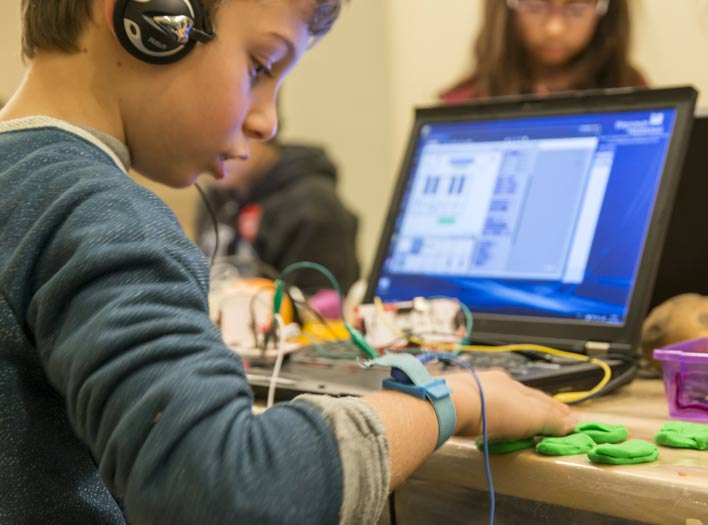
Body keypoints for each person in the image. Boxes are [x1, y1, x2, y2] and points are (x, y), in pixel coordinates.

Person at [0, 1, 576, 523]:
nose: (267, 122)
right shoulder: (93, 212)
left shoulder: (26, 188)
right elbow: (226, 492)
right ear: (151, 20)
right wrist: (451, 400)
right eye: (260, 66)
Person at [196, 136, 361, 295]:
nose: (214, 151)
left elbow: (321, 304)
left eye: (230, 134)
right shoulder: (219, 193)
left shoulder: (313, 203)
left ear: (261, 129)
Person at [441, 0, 647, 103]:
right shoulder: (466, 100)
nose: (554, 29)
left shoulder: (631, 91)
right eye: (535, 7)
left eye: (577, 9)